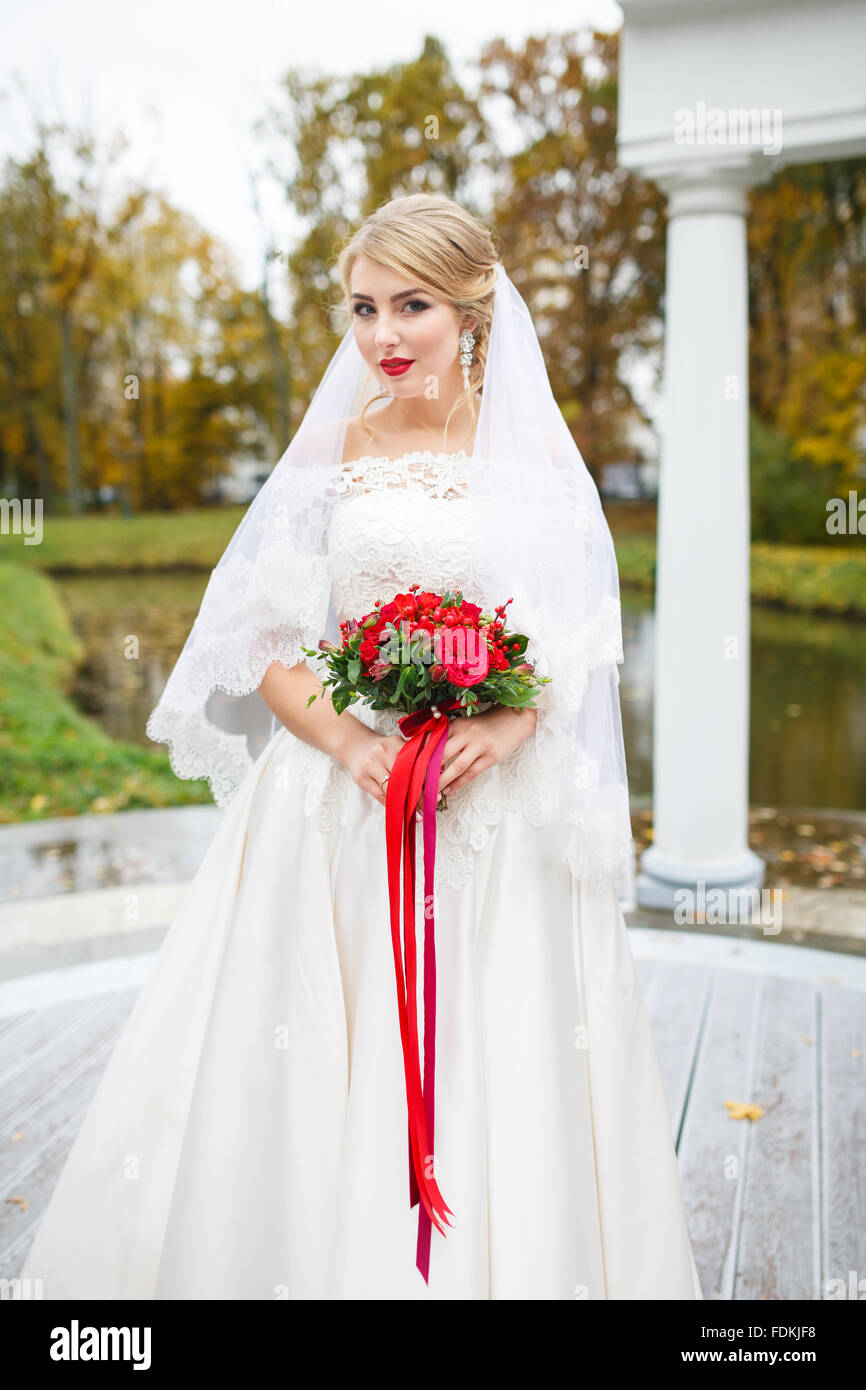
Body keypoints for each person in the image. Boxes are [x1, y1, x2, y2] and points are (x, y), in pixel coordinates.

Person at [19, 194, 702, 1299]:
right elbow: (266, 644)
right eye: (362, 308)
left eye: (411, 305)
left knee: (507, 1052)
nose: (382, 335)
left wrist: (510, 715)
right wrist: (347, 745)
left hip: (493, 815)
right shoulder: (330, 457)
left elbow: (574, 640)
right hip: (339, 805)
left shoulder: (534, 465)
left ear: (473, 311)